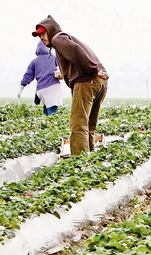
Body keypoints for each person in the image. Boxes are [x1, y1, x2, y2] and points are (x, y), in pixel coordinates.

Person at [31, 16, 107, 155]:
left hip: (87, 81)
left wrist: (93, 69)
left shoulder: (57, 38)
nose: (41, 37)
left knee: (78, 125)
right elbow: (76, 56)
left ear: (51, 30)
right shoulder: (64, 38)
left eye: (43, 33)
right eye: (39, 35)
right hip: (99, 82)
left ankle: (80, 166)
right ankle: (89, 161)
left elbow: (76, 52)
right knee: (89, 124)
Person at [18, 41, 64, 116]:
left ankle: (37, 97)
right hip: (53, 87)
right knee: (52, 110)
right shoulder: (52, 57)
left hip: (41, 88)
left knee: (46, 104)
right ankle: (50, 122)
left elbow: (28, 75)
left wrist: (21, 87)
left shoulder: (34, 61)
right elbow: (63, 65)